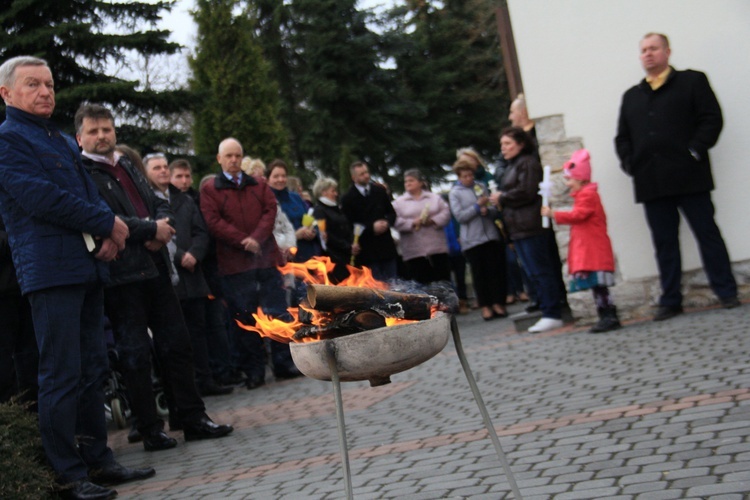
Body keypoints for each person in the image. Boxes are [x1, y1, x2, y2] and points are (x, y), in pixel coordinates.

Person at [0, 56, 154, 499]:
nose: (46, 92)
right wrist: (108, 224)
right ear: (7, 94)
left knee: (92, 369)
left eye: (49, 84)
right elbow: (40, 198)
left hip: (86, 265)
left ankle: (99, 461)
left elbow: (85, 194)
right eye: (33, 84)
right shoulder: (8, 140)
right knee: (61, 373)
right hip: (49, 272)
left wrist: (108, 233)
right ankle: (67, 474)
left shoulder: (62, 141)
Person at [76, 103, 233, 453]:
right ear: (80, 137)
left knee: (178, 345)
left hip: (157, 271)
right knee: (135, 355)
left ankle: (192, 418)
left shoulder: (127, 166)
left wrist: (162, 227)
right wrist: (150, 230)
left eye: (107, 129)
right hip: (122, 278)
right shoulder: (82, 173)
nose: (102, 136)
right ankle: (149, 429)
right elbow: (101, 217)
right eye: (94, 131)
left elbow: (159, 202)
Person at [615, 32, 739, 321]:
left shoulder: (692, 82)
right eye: (643, 50)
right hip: (651, 180)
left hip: (689, 175)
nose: (648, 54)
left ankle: (726, 291)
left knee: (707, 234)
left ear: (667, 52)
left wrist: (695, 150)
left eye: (654, 48)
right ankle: (671, 299)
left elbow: (711, 118)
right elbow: (623, 138)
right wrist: (630, 164)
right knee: (664, 243)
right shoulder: (632, 96)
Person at [200, 138, 301, 388]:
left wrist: (256, 238)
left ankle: (283, 363)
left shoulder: (258, 184)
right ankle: (254, 370)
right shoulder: (211, 189)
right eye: (229, 156)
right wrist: (242, 240)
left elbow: (270, 211)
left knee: (277, 312)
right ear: (219, 159)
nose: (234, 160)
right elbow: (213, 222)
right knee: (245, 319)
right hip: (235, 266)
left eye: (238, 155)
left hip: (266, 261)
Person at [144, 154, 233, 397]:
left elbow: (201, 231)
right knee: (175, 337)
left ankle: (205, 380)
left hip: (193, 276)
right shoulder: (146, 201)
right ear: (146, 172)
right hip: (168, 278)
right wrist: (179, 255)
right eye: (157, 168)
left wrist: (194, 253)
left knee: (199, 331)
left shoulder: (184, 199)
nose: (163, 171)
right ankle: (184, 387)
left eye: (165, 166)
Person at [541, 149, 621, 333]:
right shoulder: (584, 195)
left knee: (600, 286)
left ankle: (608, 314)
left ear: (581, 179)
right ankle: (605, 313)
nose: (567, 184)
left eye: (570, 180)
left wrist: (554, 214)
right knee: (597, 286)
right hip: (590, 248)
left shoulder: (587, 196)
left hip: (593, 248)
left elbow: (579, 215)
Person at [491, 127, 562, 333]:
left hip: (530, 225)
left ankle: (552, 312)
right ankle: (544, 307)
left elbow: (527, 191)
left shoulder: (527, 163)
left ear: (520, 144)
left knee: (541, 270)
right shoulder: (513, 165)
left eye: (508, 144)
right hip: (519, 226)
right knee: (532, 271)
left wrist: (502, 197)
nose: (503, 148)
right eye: (502, 144)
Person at [449, 159, 507, 321]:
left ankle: (498, 303)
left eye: (471, 175)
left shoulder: (481, 187)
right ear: (459, 176)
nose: (469, 178)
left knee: (494, 272)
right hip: (472, 240)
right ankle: (486, 306)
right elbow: (460, 216)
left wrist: (487, 210)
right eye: (465, 176)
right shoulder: (455, 193)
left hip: (489, 235)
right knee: (479, 274)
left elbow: (494, 208)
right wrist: (476, 207)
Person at [0, 213, 39, 409]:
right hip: (8, 291)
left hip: (26, 284)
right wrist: (24, 237)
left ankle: (34, 421)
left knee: (33, 361)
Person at [341, 161, 399, 281]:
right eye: (362, 174)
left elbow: (391, 213)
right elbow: (349, 225)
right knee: (377, 287)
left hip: (386, 246)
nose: (366, 176)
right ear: (354, 178)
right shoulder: (348, 198)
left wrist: (387, 222)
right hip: (367, 250)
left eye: (367, 172)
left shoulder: (379, 191)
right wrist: (371, 227)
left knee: (394, 284)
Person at [392, 169, 452, 284]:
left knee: (443, 281)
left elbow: (446, 212)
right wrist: (412, 223)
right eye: (406, 181)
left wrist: (433, 221)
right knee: (423, 283)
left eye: (411, 180)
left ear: (420, 183)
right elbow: (395, 220)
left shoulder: (434, 198)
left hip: (437, 248)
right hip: (414, 251)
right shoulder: (399, 203)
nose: (408, 183)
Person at [266, 159, 321, 262]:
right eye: (276, 176)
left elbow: (311, 220)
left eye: (283, 176)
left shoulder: (296, 198)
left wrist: (313, 232)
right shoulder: (265, 202)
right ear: (268, 179)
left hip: (308, 256)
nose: (280, 179)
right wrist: (296, 235)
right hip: (286, 261)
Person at [311, 177, 359, 283]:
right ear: (323, 192)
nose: (336, 194)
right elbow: (327, 235)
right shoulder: (320, 210)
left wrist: (352, 244)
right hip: (334, 259)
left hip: (345, 255)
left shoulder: (336, 209)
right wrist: (347, 246)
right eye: (333, 191)